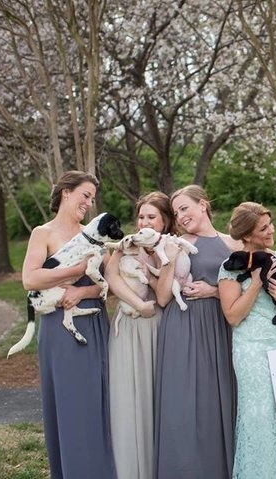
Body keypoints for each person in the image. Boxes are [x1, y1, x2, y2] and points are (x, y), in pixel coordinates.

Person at [21, 170, 116, 478]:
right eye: (84, 195)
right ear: (65, 192)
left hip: (92, 322)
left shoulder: (94, 235)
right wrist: (72, 270)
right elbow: (30, 278)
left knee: (94, 404)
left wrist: (80, 290)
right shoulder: (43, 233)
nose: (88, 203)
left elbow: (107, 287)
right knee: (68, 405)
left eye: (91, 199)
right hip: (58, 331)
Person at [154, 185, 243, 479]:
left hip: (219, 327)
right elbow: (163, 298)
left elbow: (247, 291)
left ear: (203, 205)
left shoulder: (233, 244)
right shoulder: (176, 243)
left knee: (216, 402)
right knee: (184, 402)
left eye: (184, 208)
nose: (180, 216)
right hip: (183, 327)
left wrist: (215, 291)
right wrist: (168, 258)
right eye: (176, 212)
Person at [218, 202, 276, 478]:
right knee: (260, 416)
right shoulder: (230, 269)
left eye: (270, 224)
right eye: (263, 228)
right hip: (251, 350)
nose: (271, 230)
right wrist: (255, 283)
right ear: (247, 236)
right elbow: (232, 316)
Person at [105, 191, 177, 479]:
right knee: (127, 394)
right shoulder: (126, 246)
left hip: (159, 326)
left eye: (151, 217)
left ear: (165, 222)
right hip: (130, 323)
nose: (144, 222)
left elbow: (165, 295)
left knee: (156, 393)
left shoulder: (170, 248)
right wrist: (138, 305)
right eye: (141, 216)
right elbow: (111, 278)